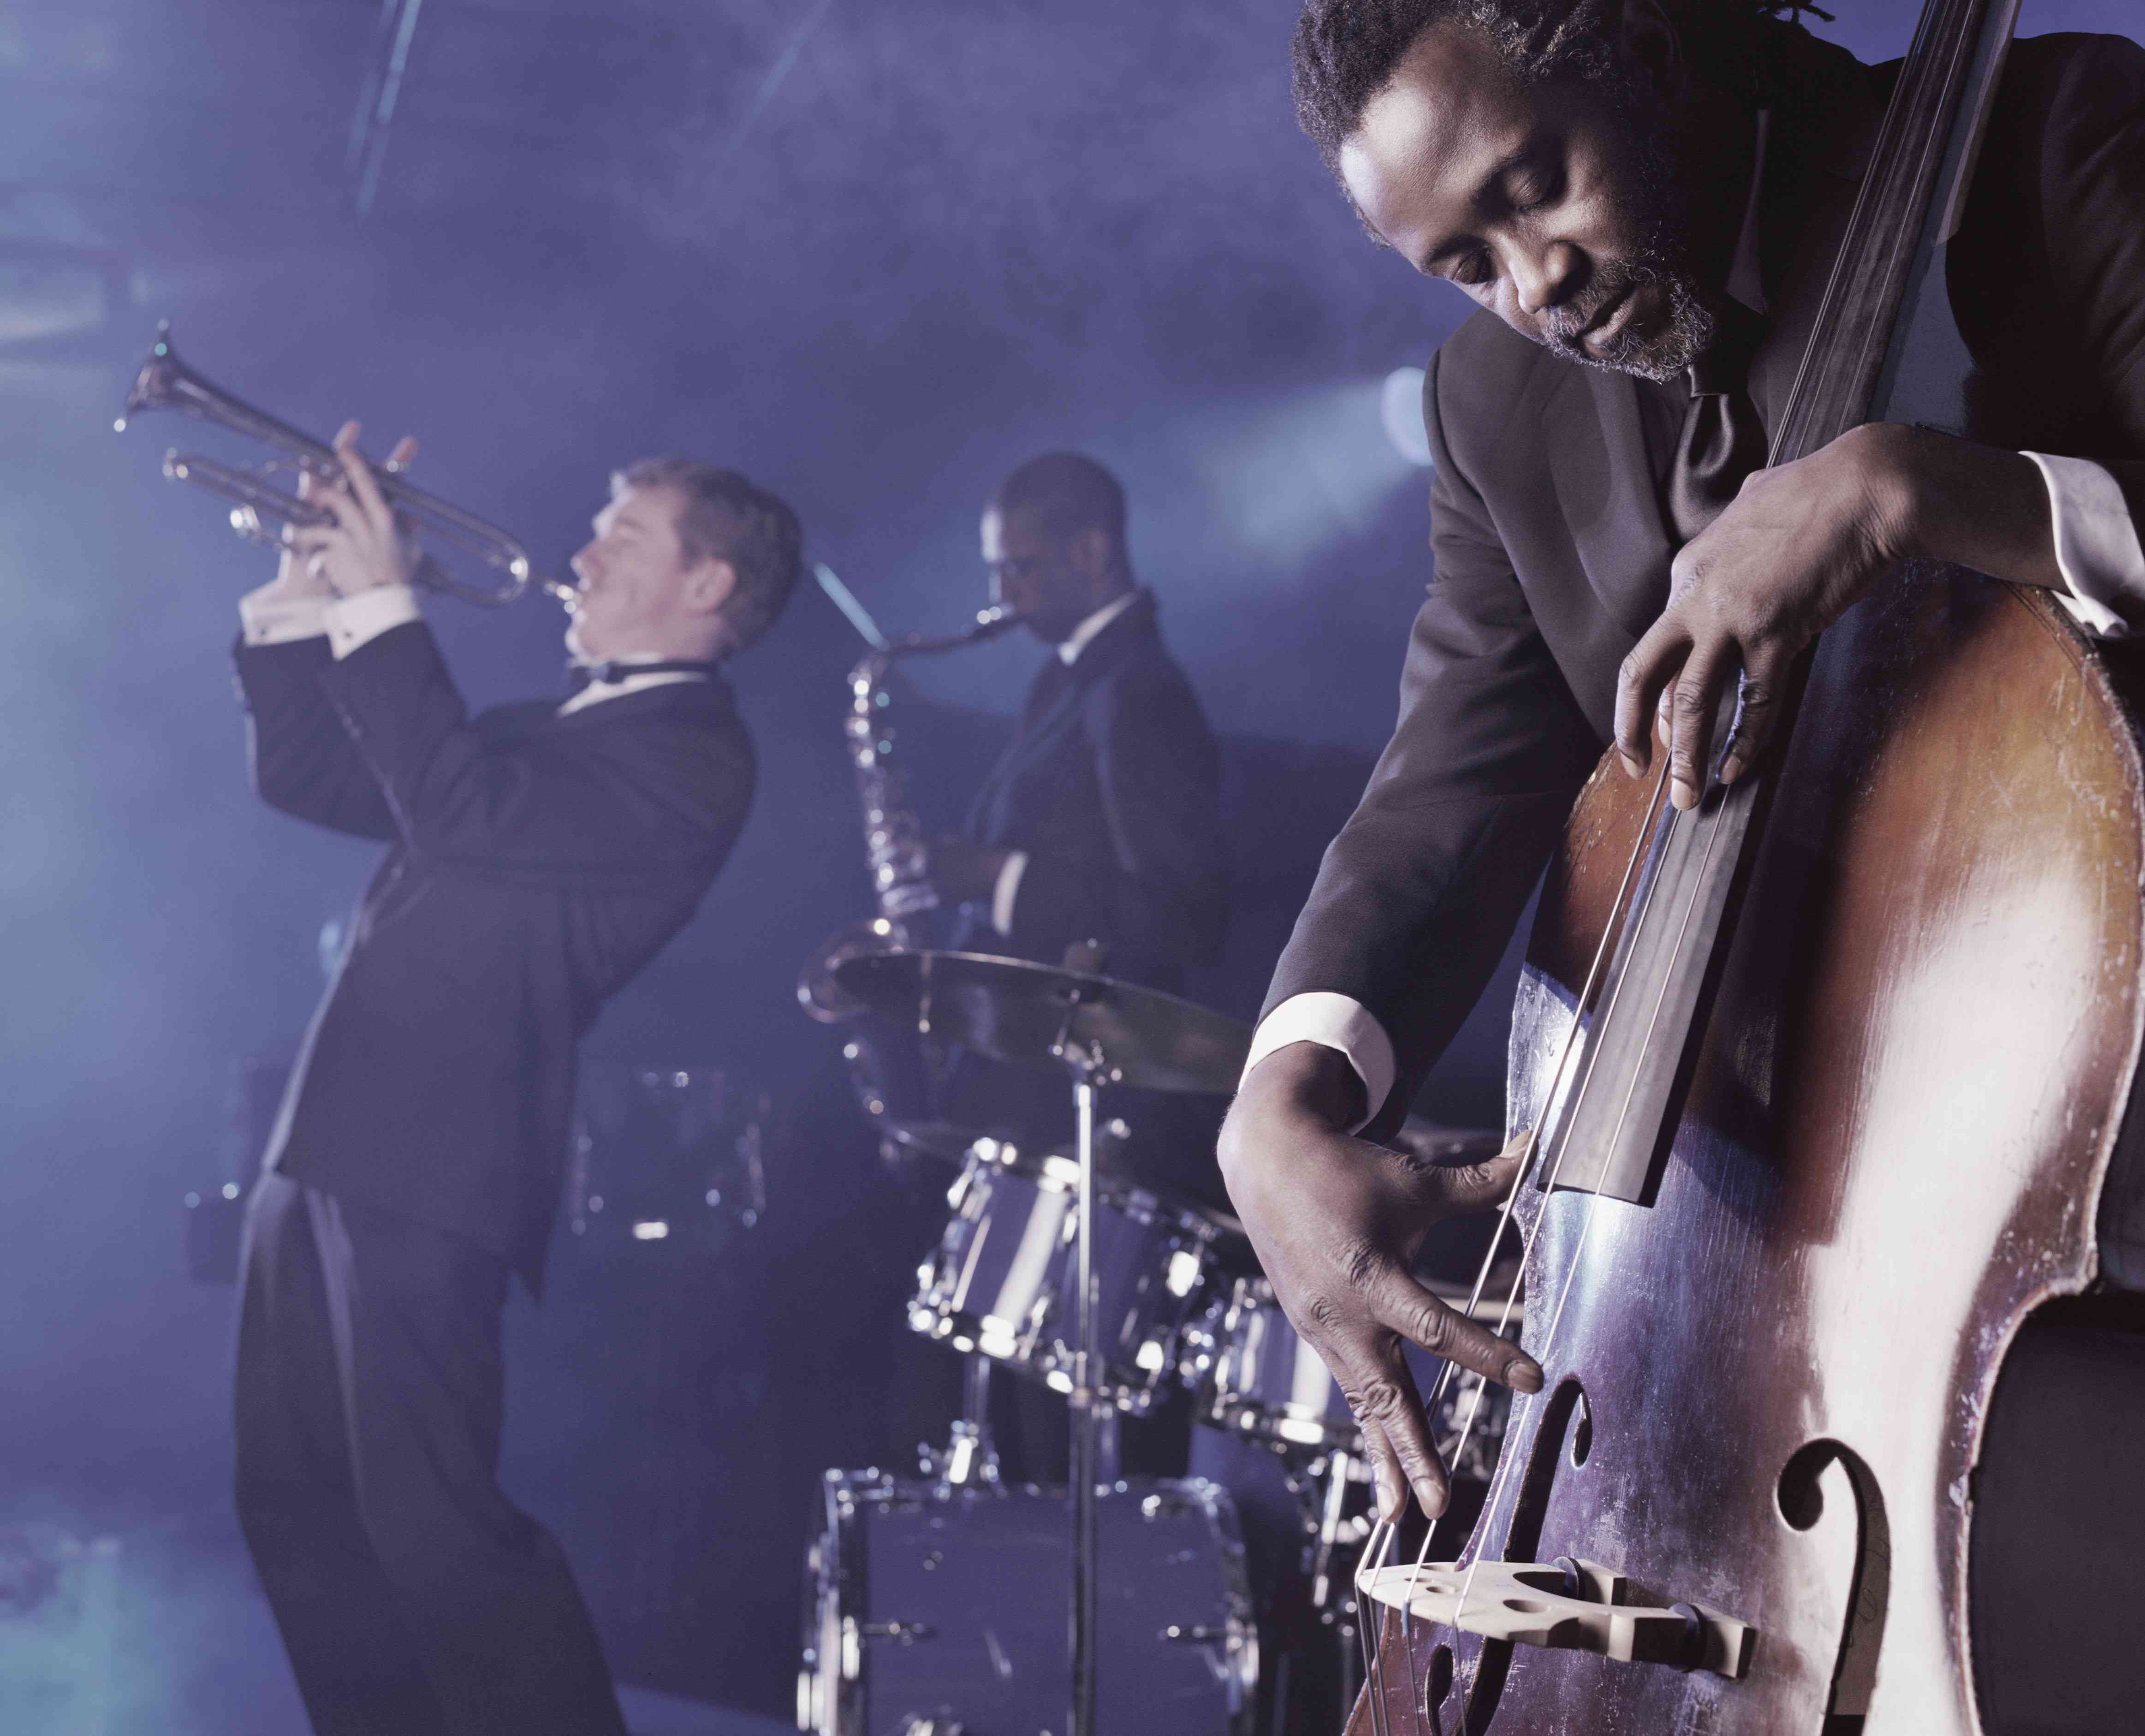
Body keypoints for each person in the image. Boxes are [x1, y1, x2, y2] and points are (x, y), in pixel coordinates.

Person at [1219, 0, 2145, 1534]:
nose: (1534, 286)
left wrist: (1917, 488)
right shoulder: (1488, 408)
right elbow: (1452, 782)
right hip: (1764, 1268)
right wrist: (1280, 1098)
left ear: (1636, 44)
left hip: (2090, 1188)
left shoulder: (2041, 134)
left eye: (1531, 186)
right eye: (1464, 263)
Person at [228, 426, 801, 1736]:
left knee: (440, 1535)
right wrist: (310, 596)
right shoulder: (545, 725)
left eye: (624, 533)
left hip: (436, 1161)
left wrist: (386, 600)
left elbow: (456, 811)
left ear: (708, 587)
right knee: (299, 1514)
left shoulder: (695, 754)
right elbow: (311, 772)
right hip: (328, 1137)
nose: (582, 555)